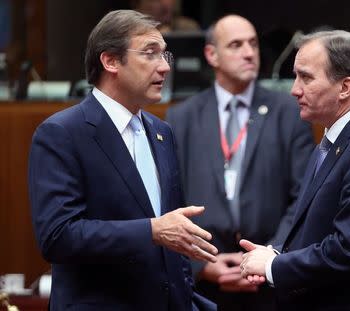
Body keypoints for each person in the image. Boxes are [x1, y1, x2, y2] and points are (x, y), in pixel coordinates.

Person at [28, 10, 218, 310]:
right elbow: (58, 236)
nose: (165, 67)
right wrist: (151, 230)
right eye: (150, 54)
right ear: (110, 61)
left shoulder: (161, 132)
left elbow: (174, 232)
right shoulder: (62, 133)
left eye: (164, 55)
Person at [240, 30, 350, 310]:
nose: (294, 89)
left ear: (345, 87)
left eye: (306, 77)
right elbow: (317, 226)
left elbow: (349, 250)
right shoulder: (337, 139)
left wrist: (275, 266)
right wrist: (275, 252)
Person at [166, 14, 315, 311]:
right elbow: (169, 200)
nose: (249, 53)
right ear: (212, 55)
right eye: (236, 45)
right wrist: (199, 264)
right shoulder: (182, 117)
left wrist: (268, 258)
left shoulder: (289, 111)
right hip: (204, 284)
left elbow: (304, 198)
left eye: (253, 44)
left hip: (272, 284)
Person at [131, 0, 200, 33]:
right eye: (156, 1)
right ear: (138, 4)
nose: (166, 4)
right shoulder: (129, 27)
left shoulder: (187, 27)